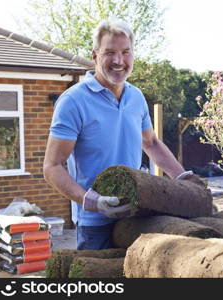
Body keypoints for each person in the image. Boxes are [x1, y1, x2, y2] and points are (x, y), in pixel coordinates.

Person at [43, 18, 199, 250]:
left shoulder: (136, 97)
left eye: (125, 52)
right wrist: (92, 201)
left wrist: (184, 178)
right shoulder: (73, 101)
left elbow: (152, 143)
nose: (118, 60)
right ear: (95, 56)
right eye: (109, 53)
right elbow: (52, 166)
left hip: (135, 213)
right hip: (94, 224)